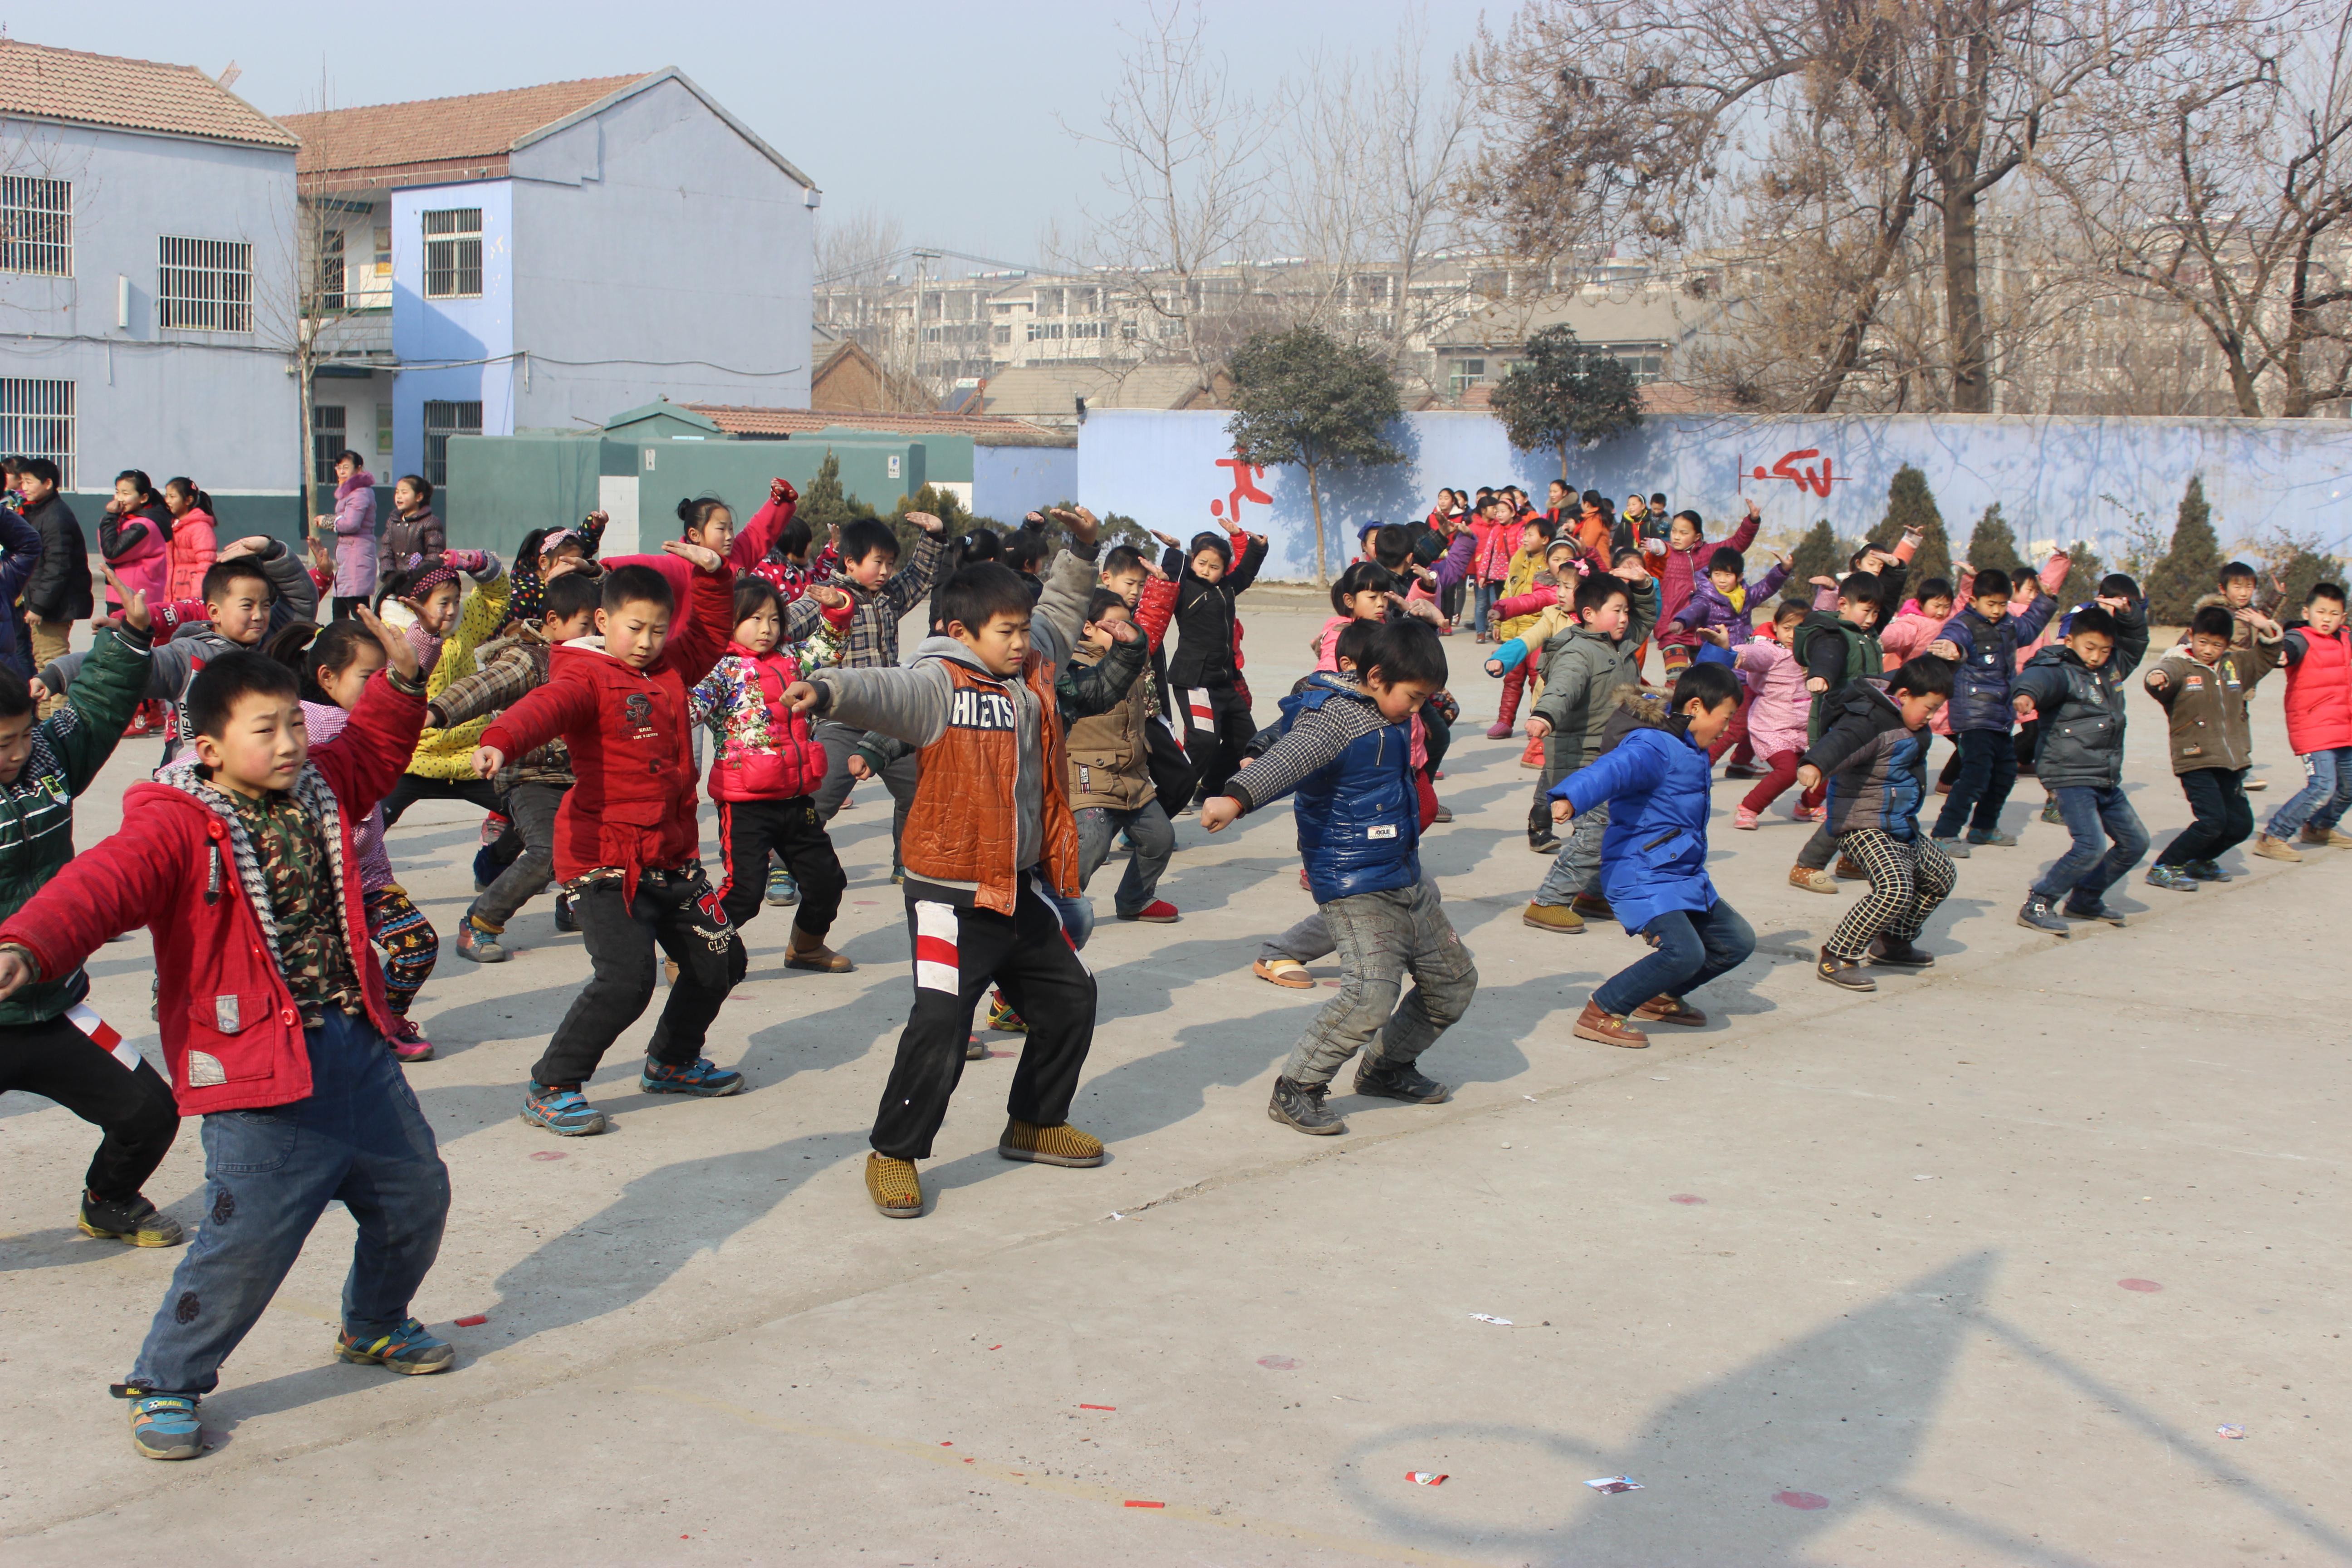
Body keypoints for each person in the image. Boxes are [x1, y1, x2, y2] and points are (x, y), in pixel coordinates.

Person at [0, 621, 452, 1462]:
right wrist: (28, 942)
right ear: (208, 748)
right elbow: (101, 882)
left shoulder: (322, 783)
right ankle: (164, 1381)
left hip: (354, 1048)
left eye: (292, 722)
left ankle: (375, 1323)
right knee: (244, 1244)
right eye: (264, 730)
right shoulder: (178, 822)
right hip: (256, 1071)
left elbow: (378, 750)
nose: (289, 743)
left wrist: (401, 682)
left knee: (415, 1198)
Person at [781, 531, 1111, 1218]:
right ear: (962, 632)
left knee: (1072, 1000)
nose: (1023, 643)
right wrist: (827, 689)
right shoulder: (941, 684)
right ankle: (893, 1154)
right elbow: (885, 688)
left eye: (1025, 631)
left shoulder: (1025, 671)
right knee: (940, 1024)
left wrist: (1080, 553)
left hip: (1014, 890)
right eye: (1007, 632)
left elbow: (1061, 611)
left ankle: (1035, 1122)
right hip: (948, 898)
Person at [471, 545, 743, 1137]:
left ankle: (671, 1061)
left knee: (721, 959)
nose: (646, 641)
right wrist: (500, 739)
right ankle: (553, 1085)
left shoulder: (672, 665)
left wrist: (715, 573)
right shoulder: (584, 675)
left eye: (656, 629)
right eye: (633, 628)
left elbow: (714, 629)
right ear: (604, 623)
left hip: (671, 859)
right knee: (626, 980)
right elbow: (544, 708)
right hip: (605, 861)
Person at [1201, 620, 1473, 1136]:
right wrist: (1235, 797)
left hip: (1404, 874)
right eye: (1414, 698)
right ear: (1375, 677)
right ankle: (1297, 1088)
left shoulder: (1386, 712)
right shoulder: (1338, 719)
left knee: (1454, 983)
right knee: (1371, 992)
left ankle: (1387, 1069)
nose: (1417, 711)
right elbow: (1289, 758)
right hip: (1352, 882)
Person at [0, 573, 182, 1249]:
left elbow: (101, 708)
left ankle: (109, 1200)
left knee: (152, 1111)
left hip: (55, 1007)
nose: (16, 754)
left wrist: (133, 638)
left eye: (20, 736)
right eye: (1, 746)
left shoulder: (46, 758)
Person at [1550, 664, 1756, 1048]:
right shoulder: (1654, 746)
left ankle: (1660, 996)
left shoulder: (1690, 748)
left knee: (1737, 941)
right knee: (1684, 952)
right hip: (1640, 871)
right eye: (1725, 719)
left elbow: (1705, 672)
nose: (1728, 728)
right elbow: (1612, 768)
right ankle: (1603, 1010)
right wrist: (1571, 796)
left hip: (1680, 873)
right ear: (1695, 707)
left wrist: (1720, 652)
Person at [274, 619, 438, 1059]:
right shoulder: (318, 727)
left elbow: (403, 687)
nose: (379, 686)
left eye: (382, 676)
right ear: (328, 676)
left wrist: (426, 634)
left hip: (369, 880)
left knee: (418, 944)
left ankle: (385, 1015)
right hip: (326, 888)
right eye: (369, 677)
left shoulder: (356, 721)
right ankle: (372, 1025)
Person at [430, 570, 602, 960]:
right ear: (554, 623)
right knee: (549, 851)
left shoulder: (600, 661)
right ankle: (479, 923)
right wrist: (436, 712)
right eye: (586, 625)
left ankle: (573, 906)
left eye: (599, 623)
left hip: (581, 775)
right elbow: (484, 687)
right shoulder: (531, 658)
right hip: (531, 775)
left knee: (604, 846)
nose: (596, 632)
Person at [686, 575, 854, 969]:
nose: (766, 629)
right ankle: (691, 951)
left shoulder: (792, 659)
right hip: (745, 802)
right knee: (744, 892)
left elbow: (828, 645)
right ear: (730, 622)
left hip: (796, 798)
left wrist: (837, 608)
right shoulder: (721, 671)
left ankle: (807, 947)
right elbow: (687, 709)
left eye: (774, 620)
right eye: (754, 619)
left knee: (827, 882)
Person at [34, 539, 320, 764]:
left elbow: (302, 598)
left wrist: (273, 551)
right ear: (214, 612)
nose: (259, 615)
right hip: (193, 775)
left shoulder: (270, 645)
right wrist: (57, 674)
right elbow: (124, 666)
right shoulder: (188, 657)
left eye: (266, 605)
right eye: (247, 606)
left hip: (257, 770)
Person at [1508, 562, 1660, 923]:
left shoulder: (1621, 643)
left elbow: (1647, 615)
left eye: (1626, 611)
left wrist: (1643, 584)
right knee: (1596, 830)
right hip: (1581, 757)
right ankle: (1548, 902)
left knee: (1617, 825)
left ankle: (1593, 894)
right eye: (1617, 611)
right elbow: (1563, 687)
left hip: (1612, 755)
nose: (1625, 618)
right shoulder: (1578, 652)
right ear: (1589, 614)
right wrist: (1545, 715)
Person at [1797, 656, 1957, 990]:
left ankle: (1894, 943)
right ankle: (1838, 955)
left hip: (1899, 823)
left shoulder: (1908, 721)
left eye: (1936, 710)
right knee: (1895, 888)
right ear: (1903, 695)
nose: (1930, 717)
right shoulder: (1870, 722)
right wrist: (1815, 764)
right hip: (1862, 825)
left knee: (1941, 875)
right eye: (1928, 708)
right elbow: (1840, 742)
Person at [806, 510, 949, 853]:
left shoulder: (888, 599)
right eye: (878, 562)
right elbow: (788, 620)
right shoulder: (825, 597)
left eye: (890, 563)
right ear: (850, 562)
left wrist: (934, 536)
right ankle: (785, 865)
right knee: (818, 799)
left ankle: (910, 858)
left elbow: (919, 576)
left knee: (919, 790)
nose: (885, 571)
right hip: (840, 719)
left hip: (888, 719)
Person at [2009, 600, 2151, 932]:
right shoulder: (2060, 670)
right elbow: (2038, 679)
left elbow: (2137, 641)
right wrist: (2026, 697)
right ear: (2070, 640)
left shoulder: (2111, 668)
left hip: (2104, 775)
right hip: (2069, 774)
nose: (2096, 656)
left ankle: (2086, 898)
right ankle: (2039, 902)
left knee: (2136, 842)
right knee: (2090, 845)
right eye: (2090, 648)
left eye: (2104, 650)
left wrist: (2130, 613)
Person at [2142, 603, 2283, 890]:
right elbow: (2163, 675)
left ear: (2227, 644)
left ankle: (2200, 861)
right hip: (2196, 759)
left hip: (2230, 760)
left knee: (2241, 825)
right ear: (2191, 636)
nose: (2208, 650)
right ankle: (2165, 866)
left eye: (2217, 645)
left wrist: (2265, 626)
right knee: (2212, 821)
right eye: (2203, 642)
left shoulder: (2237, 665)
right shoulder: (2179, 664)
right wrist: (2156, 679)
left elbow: (2269, 654)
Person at [1928, 560, 2062, 857]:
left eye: (2003, 604)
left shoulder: (2008, 626)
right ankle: (1945, 833)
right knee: (1975, 776)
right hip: (1974, 717)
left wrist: (2046, 600)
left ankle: (1983, 827)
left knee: (2003, 774)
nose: (1997, 610)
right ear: (1974, 600)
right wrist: (1953, 650)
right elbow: (1953, 642)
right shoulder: (1962, 624)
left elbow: (2030, 626)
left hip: (2001, 716)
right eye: (1992, 604)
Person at [1064, 585, 1178, 926]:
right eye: (1113, 626)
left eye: (1128, 626)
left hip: (1133, 775)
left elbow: (1155, 624)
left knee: (1161, 838)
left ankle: (1135, 899)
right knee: (1092, 845)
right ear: (1088, 628)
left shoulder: (1132, 661)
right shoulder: (1073, 668)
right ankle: (1060, 909)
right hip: (1087, 774)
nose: (1124, 632)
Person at [374, 550, 510, 827]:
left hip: (470, 756)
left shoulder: (464, 624)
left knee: (528, 814)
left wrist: (476, 563)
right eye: (443, 602)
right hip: (415, 757)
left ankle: (495, 861)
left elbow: (496, 596)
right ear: (416, 603)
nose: (451, 610)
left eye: (456, 602)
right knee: (369, 823)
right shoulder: (393, 633)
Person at [1164, 520, 1269, 802]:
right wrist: (1174, 551)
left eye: (1215, 567)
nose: (1207, 571)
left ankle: (1210, 787)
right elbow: (1173, 574)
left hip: (1225, 681)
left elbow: (1246, 571)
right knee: (1203, 742)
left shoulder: (1227, 589)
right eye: (1202, 563)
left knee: (1247, 743)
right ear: (1192, 560)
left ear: (1224, 570)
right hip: (1195, 681)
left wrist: (1257, 547)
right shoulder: (1184, 588)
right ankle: (1163, 802)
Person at [2254, 582, 2352, 860]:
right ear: (2307, 612)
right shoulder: (2301, 638)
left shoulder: (2346, 639)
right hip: (2313, 728)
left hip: (2344, 727)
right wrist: (2281, 656)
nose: (2327, 619)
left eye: (2334, 614)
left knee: (2349, 787)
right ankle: (2273, 836)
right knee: (2322, 786)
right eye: (2322, 612)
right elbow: (2288, 649)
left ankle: (2319, 827)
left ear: (2343, 618)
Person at [1729, 600, 1827, 829]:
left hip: (1804, 728)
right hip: (1772, 727)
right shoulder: (1773, 652)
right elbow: (1754, 654)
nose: (1792, 635)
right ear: (1776, 627)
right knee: (1788, 771)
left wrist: (1828, 592)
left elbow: (1827, 614)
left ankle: (1807, 806)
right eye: (1787, 628)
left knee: (1829, 764)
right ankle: (1748, 809)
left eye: (1799, 629)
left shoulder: (1815, 655)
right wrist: (1735, 653)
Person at [1643, 499, 1764, 676]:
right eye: (1674, 531)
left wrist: (1752, 522)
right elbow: (1649, 569)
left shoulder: (1708, 553)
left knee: (1707, 678)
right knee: (1676, 677)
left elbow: (1737, 544)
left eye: (1684, 533)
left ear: (1697, 536)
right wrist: (1654, 553)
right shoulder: (1664, 554)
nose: (1676, 536)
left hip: (1704, 631)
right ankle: (1675, 703)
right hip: (1673, 629)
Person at [17, 457, 92, 719]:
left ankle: (57, 718)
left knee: (54, 663)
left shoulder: (55, 517)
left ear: (48, 484)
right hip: (44, 601)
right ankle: (46, 716)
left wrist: (39, 606)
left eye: (29, 482)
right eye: (22, 481)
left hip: (53, 606)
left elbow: (58, 567)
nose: (23, 487)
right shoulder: (40, 511)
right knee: (43, 662)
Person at [1484, 511, 1558, 737]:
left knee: (1539, 680)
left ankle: (1538, 722)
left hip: (1538, 633)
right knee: (1512, 679)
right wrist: (1499, 622)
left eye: (1531, 535)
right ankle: (1505, 721)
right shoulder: (1518, 558)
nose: (1525, 539)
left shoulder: (1551, 563)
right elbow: (1508, 589)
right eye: (1525, 534)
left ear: (1546, 539)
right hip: (1514, 629)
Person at [98, 470, 174, 619]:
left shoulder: (143, 526)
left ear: (143, 498)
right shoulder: (129, 520)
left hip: (133, 597)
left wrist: (110, 518)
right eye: (117, 492)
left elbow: (112, 553)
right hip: (123, 595)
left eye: (126, 494)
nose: (119, 499)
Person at [314, 450, 376, 620]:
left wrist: (327, 521)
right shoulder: (351, 492)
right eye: (339, 467)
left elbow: (351, 523)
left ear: (358, 469)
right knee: (340, 608)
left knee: (360, 610)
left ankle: (374, 642)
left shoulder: (360, 493)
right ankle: (341, 643)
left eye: (346, 467)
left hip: (357, 556)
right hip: (349, 557)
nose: (341, 471)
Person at [377, 475, 445, 583]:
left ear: (419, 497)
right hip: (395, 583)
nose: (399, 497)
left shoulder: (430, 522)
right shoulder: (393, 521)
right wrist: (390, 576)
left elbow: (435, 555)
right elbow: (386, 552)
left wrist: (415, 575)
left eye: (404, 493)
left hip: (421, 582)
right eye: (397, 492)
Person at [161, 479, 217, 606]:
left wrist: (196, 596)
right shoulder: (171, 526)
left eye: (172, 496)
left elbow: (206, 564)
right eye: (166, 496)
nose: (167, 501)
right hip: (171, 595)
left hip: (190, 596)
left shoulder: (200, 527)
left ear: (188, 500)